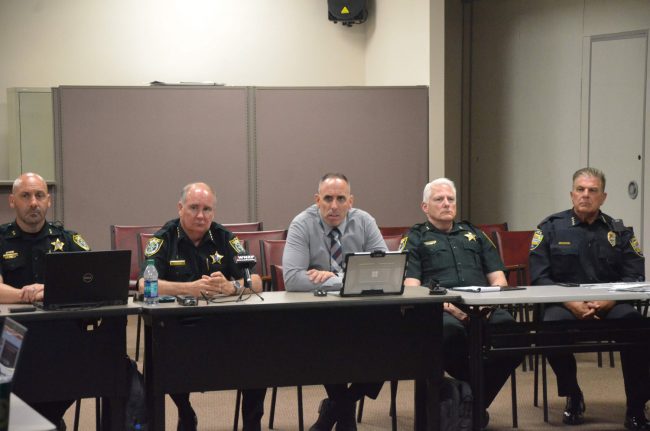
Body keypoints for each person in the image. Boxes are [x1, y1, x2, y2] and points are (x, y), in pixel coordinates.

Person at [529, 167, 650, 430]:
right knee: (548, 328)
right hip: (565, 305)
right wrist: (570, 302)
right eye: (581, 190)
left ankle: (636, 406)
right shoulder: (550, 228)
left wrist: (609, 301)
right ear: (572, 194)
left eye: (593, 190)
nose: (586, 195)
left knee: (641, 328)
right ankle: (573, 394)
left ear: (603, 197)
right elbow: (539, 277)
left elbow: (635, 275)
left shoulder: (619, 231)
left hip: (610, 305)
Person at [138, 182, 265, 431]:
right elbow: (144, 285)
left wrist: (232, 287)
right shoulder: (164, 239)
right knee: (160, 363)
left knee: (259, 358)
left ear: (213, 212)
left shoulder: (224, 238)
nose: (200, 215)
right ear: (180, 208)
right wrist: (188, 289)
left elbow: (257, 282)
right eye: (194, 208)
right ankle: (185, 412)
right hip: (179, 328)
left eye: (207, 209)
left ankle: (252, 425)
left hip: (223, 326)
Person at [401, 177, 522, 429]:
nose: (446, 203)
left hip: (483, 306)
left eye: (451, 199)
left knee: (514, 334)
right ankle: (474, 406)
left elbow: (499, 278)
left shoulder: (475, 234)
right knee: (450, 335)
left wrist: (490, 303)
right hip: (440, 309)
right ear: (425, 207)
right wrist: (446, 305)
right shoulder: (415, 238)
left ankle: (471, 403)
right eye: (439, 199)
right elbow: (411, 288)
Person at [283, 173, 387, 431]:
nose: (334, 206)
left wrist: (336, 277)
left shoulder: (364, 221)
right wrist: (353, 278)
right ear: (317, 200)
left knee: (394, 341)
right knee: (328, 339)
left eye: (341, 199)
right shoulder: (301, 224)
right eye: (327, 198)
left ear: (350, 201)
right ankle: (347, 415)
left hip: (362, 312)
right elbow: (293, 280)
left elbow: (385, 272)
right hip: (320, 314)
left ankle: (338, 406)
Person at [0, 172, 90, 430]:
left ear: (48, 201)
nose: (33, 203)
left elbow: (92, 282)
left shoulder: (69, 239)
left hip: (60, 337)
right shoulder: (1, 239)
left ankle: (48, 419)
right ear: (12, 201)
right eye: (25, 196)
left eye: (39, 195)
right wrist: (24, 294)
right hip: (12, 336)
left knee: (94, 365)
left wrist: (50, 290)